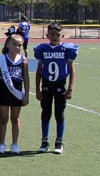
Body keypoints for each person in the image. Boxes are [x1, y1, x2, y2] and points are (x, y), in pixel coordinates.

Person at [34, 22, 77, 154]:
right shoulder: (43, 49)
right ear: (47, 35)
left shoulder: (66, 49)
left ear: (62, 35)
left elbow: (72, 70)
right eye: (52, 34)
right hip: (46, 85)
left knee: (59, 114)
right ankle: (45, 141)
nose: (55, 37)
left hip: (60, 85)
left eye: (57, 35)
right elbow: (39, 70)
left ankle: (59, 141)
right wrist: (37, 89)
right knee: (46, 113)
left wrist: (70, 88)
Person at [0, 31, 30, 154]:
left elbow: (26, 78)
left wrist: (26, 96)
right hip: (4, 92)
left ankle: (14, 144)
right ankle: (1, 144)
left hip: (17, 93)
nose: (17, 47)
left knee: (15, 118)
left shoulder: (23, 60)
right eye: (14, 44)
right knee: (3, 119)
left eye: (19, 45)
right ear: (7, 44)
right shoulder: (1, 59)